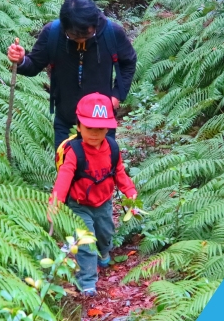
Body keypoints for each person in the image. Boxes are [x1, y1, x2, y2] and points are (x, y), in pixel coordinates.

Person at [7, 0, 137, 150]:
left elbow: (128, 62)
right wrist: (21, 60)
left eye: (86, 35)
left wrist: (117, 95)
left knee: (102, 171)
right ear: (64, 26)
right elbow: (34, 64)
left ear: (94, 25)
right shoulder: (53, 33)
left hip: (101, 119)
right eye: (74, 36)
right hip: (66, 118)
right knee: (65, 167)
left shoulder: (111, 33)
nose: (81, 40)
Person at [48, 92, 138, 297]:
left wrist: (130, 193)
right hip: (79, 205)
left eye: (100, 128)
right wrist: (55, 204)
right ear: (79, 126)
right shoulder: (75, 152)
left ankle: (104, 252)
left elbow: (120, 173)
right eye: (89, 128)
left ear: (108, 128)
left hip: (104, 203)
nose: (95, 133)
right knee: (86, 242)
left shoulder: (112, 148)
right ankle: (87, 283)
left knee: (105, 234)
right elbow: (63, 179)